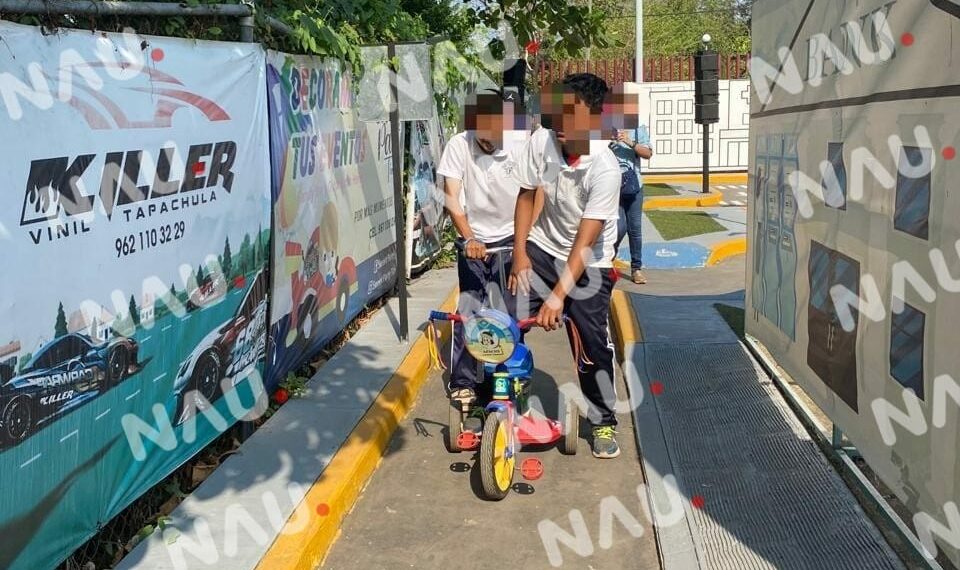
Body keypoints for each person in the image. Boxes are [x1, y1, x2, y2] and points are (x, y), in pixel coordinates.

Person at [509, 73, 623, 459]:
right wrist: (520, 254)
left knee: (590, 343)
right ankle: (507, 402)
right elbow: (526, 196)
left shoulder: (606, 169)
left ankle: (604, 418)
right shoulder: (542, 140)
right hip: (542, 247)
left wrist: (557, 298)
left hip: (589, 262)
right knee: (503, 319)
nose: (558, 121)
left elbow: (585, 243)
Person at [437, 89, 523, 434]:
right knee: (470, 310)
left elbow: (535, 194)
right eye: (483, 137)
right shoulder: (459, 145)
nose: (489, 143)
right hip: (473, 238)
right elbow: (451, 196)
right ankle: (465, 382)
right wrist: (469, 237)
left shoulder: (521, 144)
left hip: (512, 237)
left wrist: (522, 245)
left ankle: (513, 378)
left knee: (514, 312)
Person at [609, 86, 652, 284]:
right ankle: (609, 261)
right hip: (612, 186)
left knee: (635, 228)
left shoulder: (638, 128)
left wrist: (630, 142)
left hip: (634, 186)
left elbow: (648, 153)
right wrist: (607, 142)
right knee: (618, 227)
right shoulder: (605, 128)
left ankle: (637, 269)